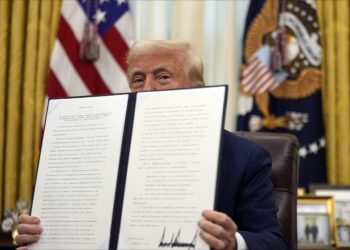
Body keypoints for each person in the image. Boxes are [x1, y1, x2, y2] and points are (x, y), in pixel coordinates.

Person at [15, 40, 290, 250]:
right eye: (138, 79)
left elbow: (274, 242)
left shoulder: (244, 157)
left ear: (198, 89)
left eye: (163, 77)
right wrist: (36, 233)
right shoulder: (98, 150)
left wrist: (233, 242)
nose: (147, 89)